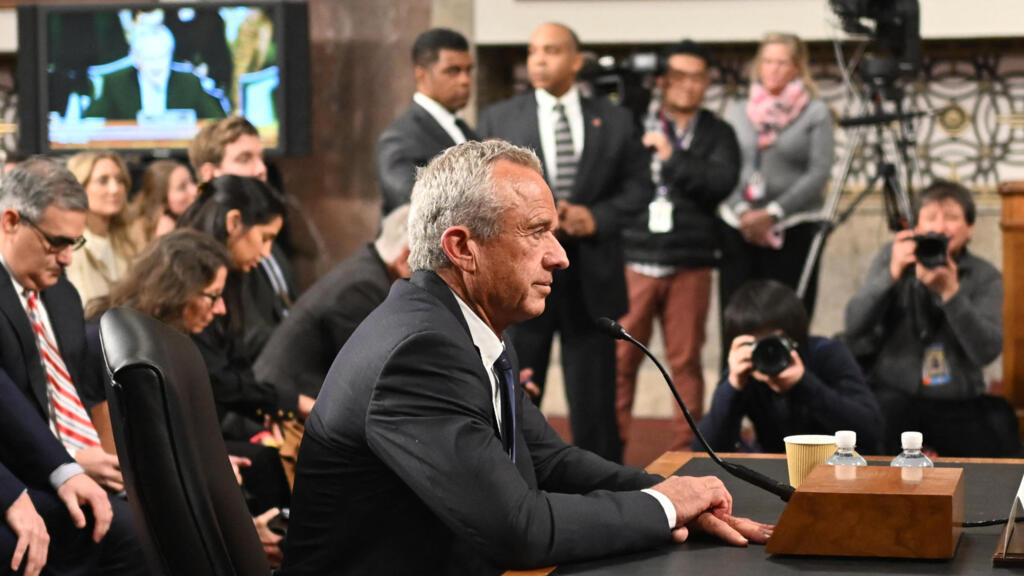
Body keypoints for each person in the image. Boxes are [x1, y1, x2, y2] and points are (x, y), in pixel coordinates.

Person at [280, 140, 771, 576]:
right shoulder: (420, 351)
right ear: (462, 248)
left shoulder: (469, 323)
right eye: (536, 232)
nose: (560, 256)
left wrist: (673, 494)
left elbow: (546, 459)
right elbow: (519, 529)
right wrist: (663, 505)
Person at [478, 23, 651, 462]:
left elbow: (639, 188)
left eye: (551, 51)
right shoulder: (500, 118)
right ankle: (513, 475)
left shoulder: (614, 118)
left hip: (592, 274)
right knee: (516, 386)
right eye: (533, 50)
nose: (538, 59)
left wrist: (596, 217)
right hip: (522, 273)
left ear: (576, 61)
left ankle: (607, 491)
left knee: (594, 400)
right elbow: (484, 191)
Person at [0, 157, 147, 574]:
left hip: (71, 459)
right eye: (56, 242)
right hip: (22, 470)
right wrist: (65, 463)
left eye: (74, 244)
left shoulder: (62, 296)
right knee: (132, 533)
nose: (66, 259)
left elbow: (83, 398)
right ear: (11, 221)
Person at [616, 39, 740, 451]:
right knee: (621, 361)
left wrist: (671, 158)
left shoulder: (718, 132)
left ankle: (689, 456)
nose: (689, 85)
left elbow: (720, 183)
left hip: (691, 261)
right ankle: (610, 451)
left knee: (686, 362)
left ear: (707, 83)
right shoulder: (633, 122)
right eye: (680, 76)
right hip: (634, 258)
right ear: (663, 80)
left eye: (698, 77)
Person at [844, 180, 1009, 456]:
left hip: (957, 401)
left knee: (992, 448)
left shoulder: (984, 276)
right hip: (893, 394)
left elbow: (986, 351)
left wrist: (951, 294)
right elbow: (854, 325)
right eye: (931, 217)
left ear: (970, 229)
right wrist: (891, 275)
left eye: (952, 218)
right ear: (915, 227)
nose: (940, 227)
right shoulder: (893, 258)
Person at [718, 32, 834, 350]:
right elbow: (724, 166)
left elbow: (818, 172)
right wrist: (743, 212)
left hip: (792, 226)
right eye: (767, 61)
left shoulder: (815, 112)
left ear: (797, 68)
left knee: (785, 319)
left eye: (782, 62)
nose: (773, 69)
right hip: (738, 226)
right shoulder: (739, 109)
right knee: (737, 318)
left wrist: (772, 213)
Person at [699, 280, 884, 454]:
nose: (767, 352)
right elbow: (703, 449)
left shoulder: (825, 353)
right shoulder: (747, 368)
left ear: (795, 336)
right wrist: (732, 386)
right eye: (756, 343)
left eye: (774, 341)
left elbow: (871, 431)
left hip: (834, 468)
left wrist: (804, 383)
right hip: (773, 475)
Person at [254, 204, 411, 404]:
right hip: (279, 410)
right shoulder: (363, 288)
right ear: (405, 258)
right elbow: (370, 374)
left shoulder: (369, 269)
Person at [375, 28, 477, 216]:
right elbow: (416, 205)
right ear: (420, 74)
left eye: (468, 70)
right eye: (453, 71)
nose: (465, 80)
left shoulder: (464, 130)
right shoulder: (399, 138)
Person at [84, 23, 227, 120]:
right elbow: (89, 123)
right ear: (136, 59)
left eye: (162, 57)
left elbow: (217, 121)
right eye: (150, 59)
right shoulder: (115, 82)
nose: (157, 66)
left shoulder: (189, 82)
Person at [65, 151, 139, 309]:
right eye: (103, 181)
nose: (115, 189)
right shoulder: (69, 247)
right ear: (79, 188)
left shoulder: (129, 240)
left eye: (120, 180)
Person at [126, 159, 199, 246]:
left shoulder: (196, 218)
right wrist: (163, 243)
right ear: (163, 201)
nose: (195, 190)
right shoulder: (139, 231)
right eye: (182, 187)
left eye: (192, 181)